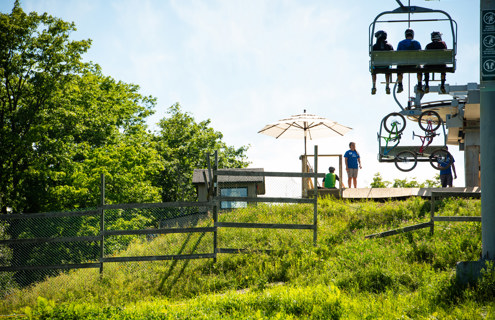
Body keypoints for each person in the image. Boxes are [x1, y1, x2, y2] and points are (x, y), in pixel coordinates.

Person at [397, 28, 423, 93]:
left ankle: (400, 85)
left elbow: (397, 54)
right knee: (420, 67)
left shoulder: (400, 43)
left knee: (399, 67)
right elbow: (420, 55)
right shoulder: (417, 43)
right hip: (414, 65)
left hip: (403, 65)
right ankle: (419, 84)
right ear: (412, 35)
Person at [371, 30, 394, 95]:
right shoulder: (389, 46)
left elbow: (372, 56)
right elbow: (393, 55)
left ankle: (374, 86)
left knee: (373, 69)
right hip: (386, 66)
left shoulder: (375, 46)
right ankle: (387, 85)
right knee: (387, 69)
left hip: (376, 66)